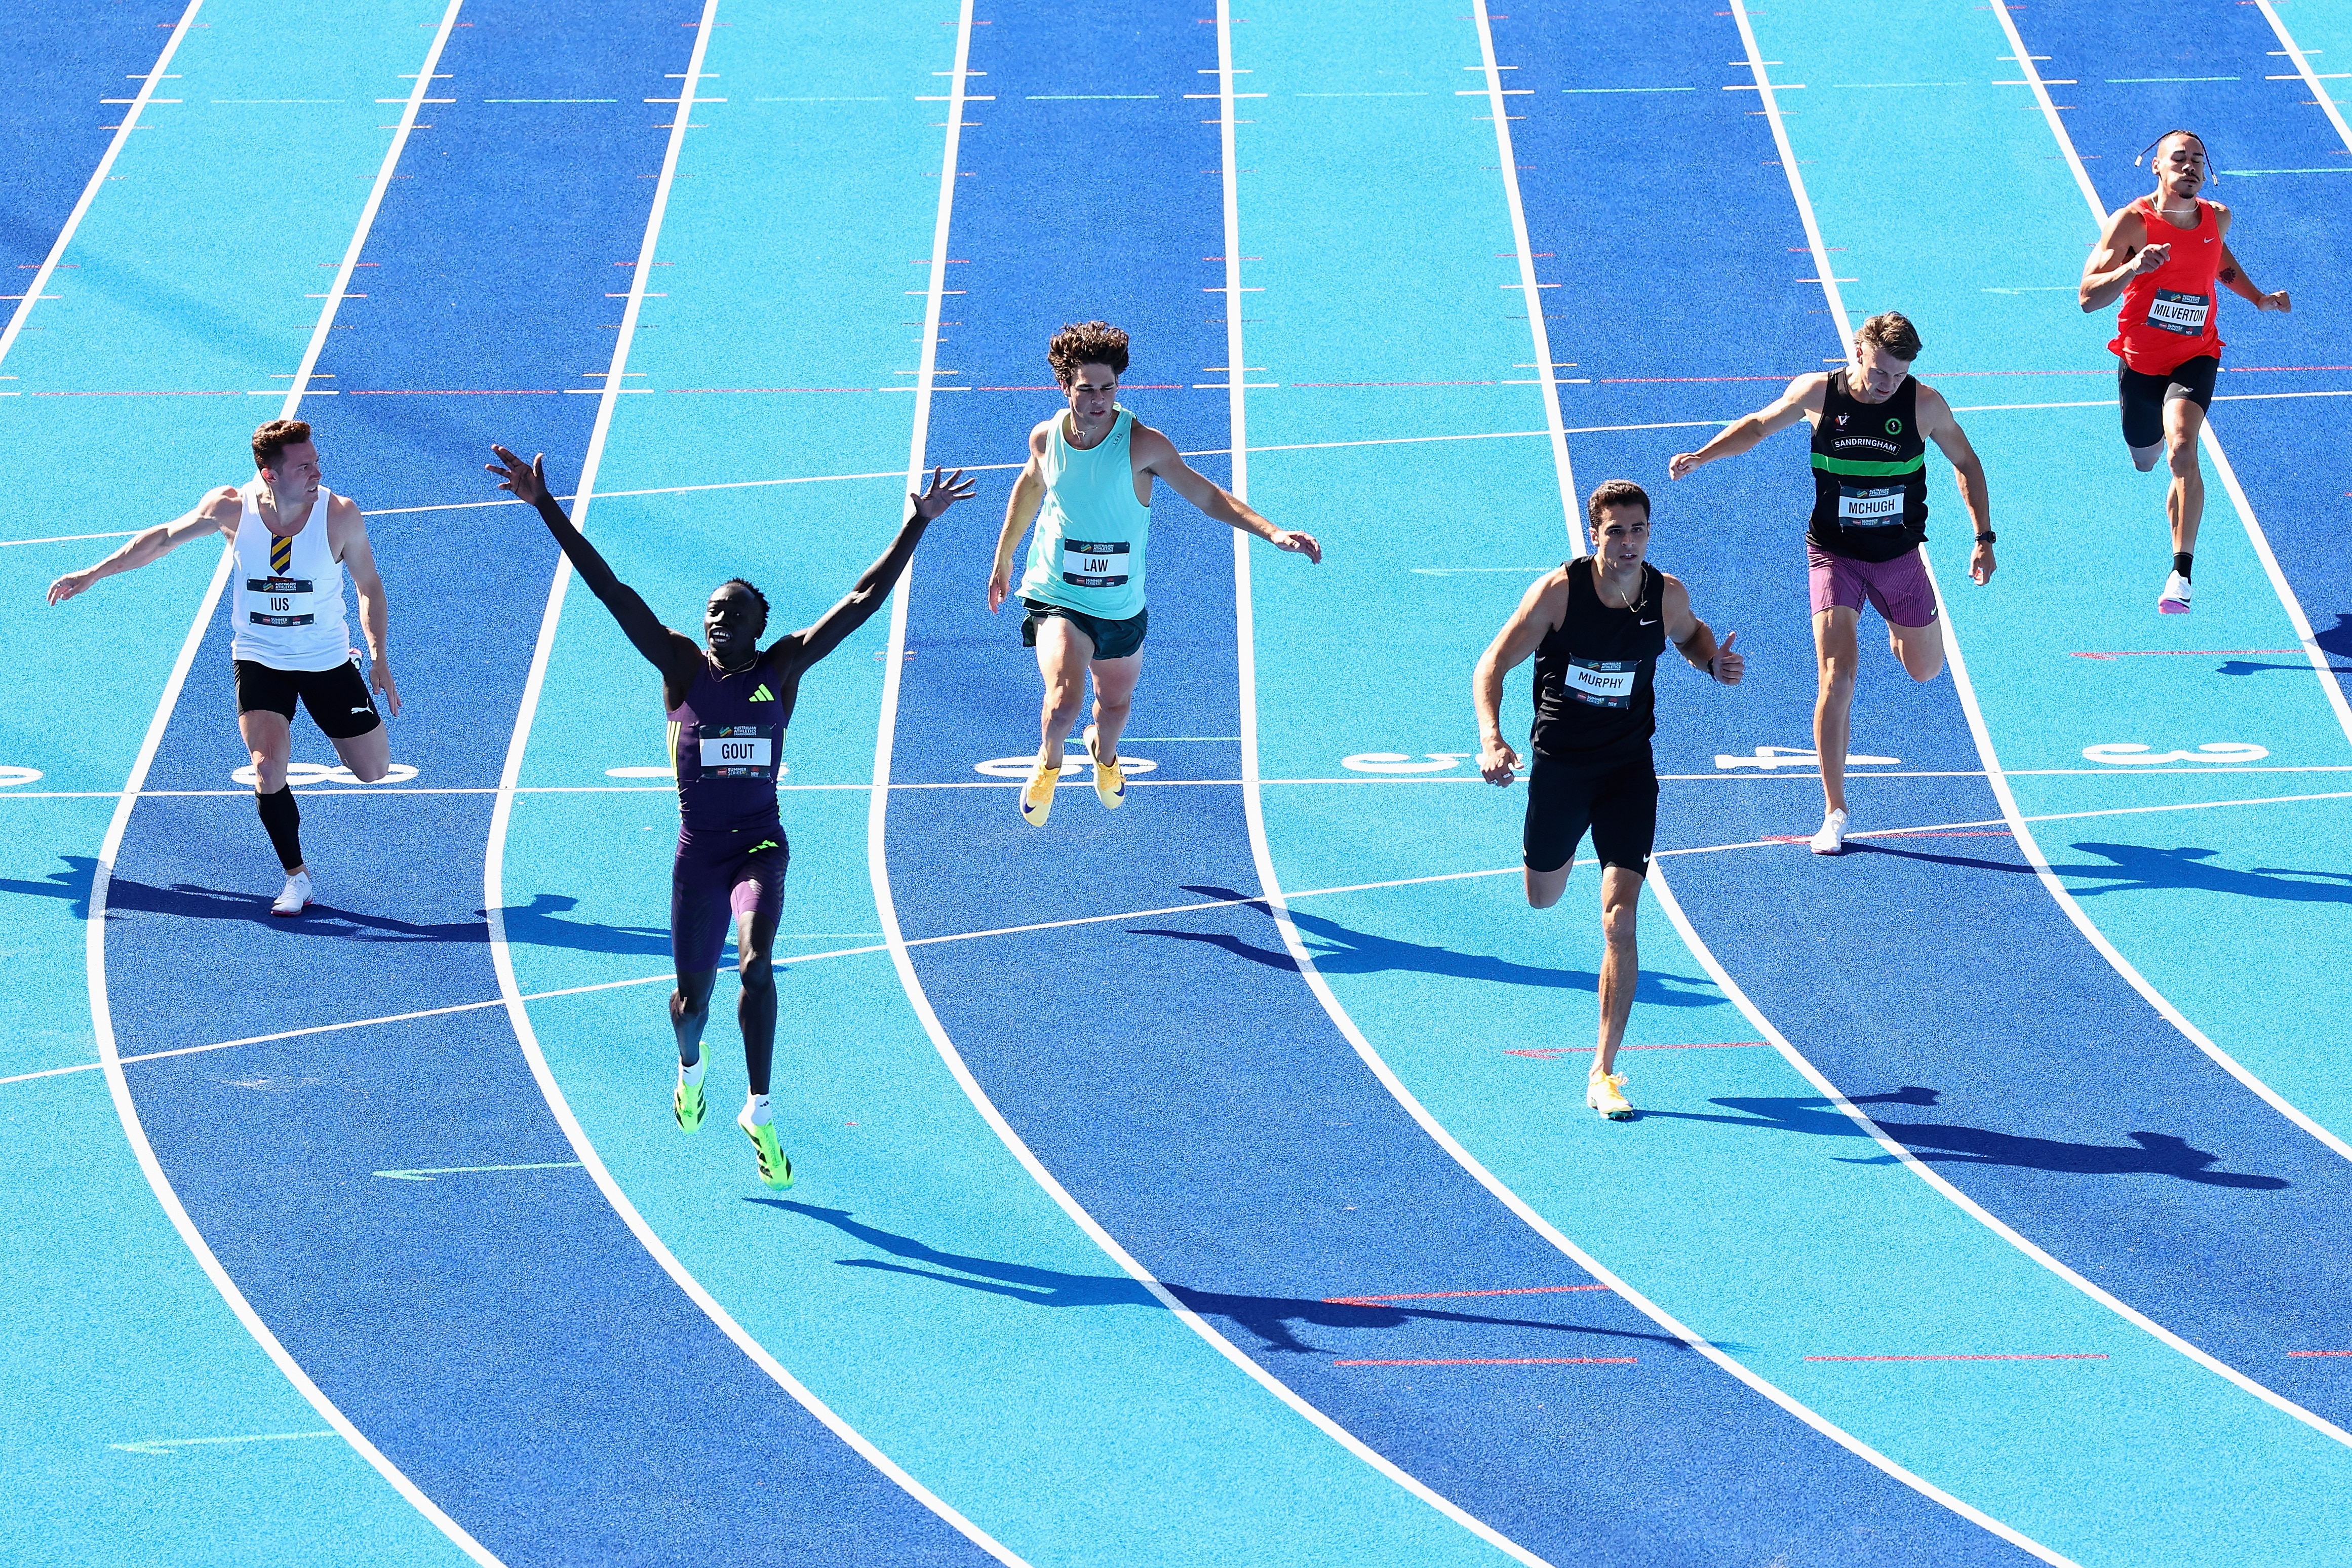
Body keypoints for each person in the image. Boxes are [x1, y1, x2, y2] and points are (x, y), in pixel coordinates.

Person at [488, 444, 973, 1191]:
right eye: (714, 609)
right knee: (691, 1006)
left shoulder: (783, 667)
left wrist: (919, 523)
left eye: (734, 612)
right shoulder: (680, 666)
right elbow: (611, 590)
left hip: (760, 846)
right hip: (697, 857)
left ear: (758, 626)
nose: (719, 618)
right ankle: (691, 1068)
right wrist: (545, 506)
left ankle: (759, 1106)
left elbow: (861, 601)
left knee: (755, 963)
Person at [1667, 311, 1994, 855]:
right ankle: (1835, 811)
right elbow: (1757, 425)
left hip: (1899, 559)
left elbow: (1967, 462)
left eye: (1899, 375)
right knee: (1837, 678)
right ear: (1858, 352)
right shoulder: (1819, 394)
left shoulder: (1924, 405)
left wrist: (1984, 537)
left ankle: (1896, 625)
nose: (1888, 384)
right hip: (1834, 556)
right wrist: (1704, 455)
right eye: (1881, 371)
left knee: (1924, 669)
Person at [46, 418, 399, 915]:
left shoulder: (339, 515)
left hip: (325, 659)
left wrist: (379, 656)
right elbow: (162, 539)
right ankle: (296, 878)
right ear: (270, 474)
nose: (317, 472)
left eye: (316, 462)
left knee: (372, 770)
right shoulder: (230, 508)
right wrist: (95, 573)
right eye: (304, 467)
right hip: (260, 658)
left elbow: (370, 587)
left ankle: (350, 692)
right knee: (267, 767)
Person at [1473, 480, 1744, 1121]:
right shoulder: (1558, 594)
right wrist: (1491, 738)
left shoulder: (1665, 594)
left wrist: (1712, 664)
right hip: (1562, 769)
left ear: (1649, 533)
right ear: (1595, 533)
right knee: (1543, 897)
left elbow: (1692, 636)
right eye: (1616, 531)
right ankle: (1557, 852)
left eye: (1638, 530)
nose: (1628, 542)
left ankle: (1602, 1071)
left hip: (1628, 770)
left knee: (1620, 921)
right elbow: (1492, 664)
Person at [983, 320, 1322, 826]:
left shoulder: (1143, 445)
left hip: (1120, 605)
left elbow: (1207, 496)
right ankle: (1050, 763)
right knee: (1064, 703)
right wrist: (1005, 555)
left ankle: (1104, 756)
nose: (1099, 400)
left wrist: (1271, 532)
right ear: (1065, 386)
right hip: (1058, 593)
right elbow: (1031, 486)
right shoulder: (1046, 439)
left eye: (1108, 388)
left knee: (1113, 708)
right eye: (1086, 389)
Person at [2078, 128, 2291, 613]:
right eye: (2179, 158)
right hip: (2140, 362)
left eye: (2198, 159)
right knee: (2147, 459)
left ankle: (2181, 574)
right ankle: (2152, 456)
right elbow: (2088, 297)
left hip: (2196, 355)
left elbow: (2217, 258)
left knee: (2181, 449)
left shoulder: (2218, 217)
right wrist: (2134, 268)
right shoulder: (2132, 223)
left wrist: (2258, 297)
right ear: (2157, 166)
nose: (2190, 166)